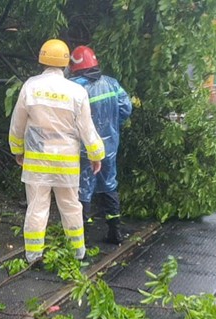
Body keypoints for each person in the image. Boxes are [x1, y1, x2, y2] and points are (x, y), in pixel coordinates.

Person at [8, 39, 105, 263]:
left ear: (42, 59)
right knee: (71, 206)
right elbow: (87, 129)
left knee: (37, 207)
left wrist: (17, 150)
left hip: (36, 162)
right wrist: (96, 155)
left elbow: (18, 124)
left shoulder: (30, 86)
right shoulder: (76, 91)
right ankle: (78, 253)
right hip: (66, 163)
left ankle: (33, 256)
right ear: (66, 64)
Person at [68, 45, 132, 244]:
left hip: (84, 149)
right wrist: (112, 126)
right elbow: (126, 109)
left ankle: (81, 239)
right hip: (110, 147)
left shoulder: (74, 87)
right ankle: (115, 232)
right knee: (109, 186)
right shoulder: (112, 84)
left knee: (83, 190)